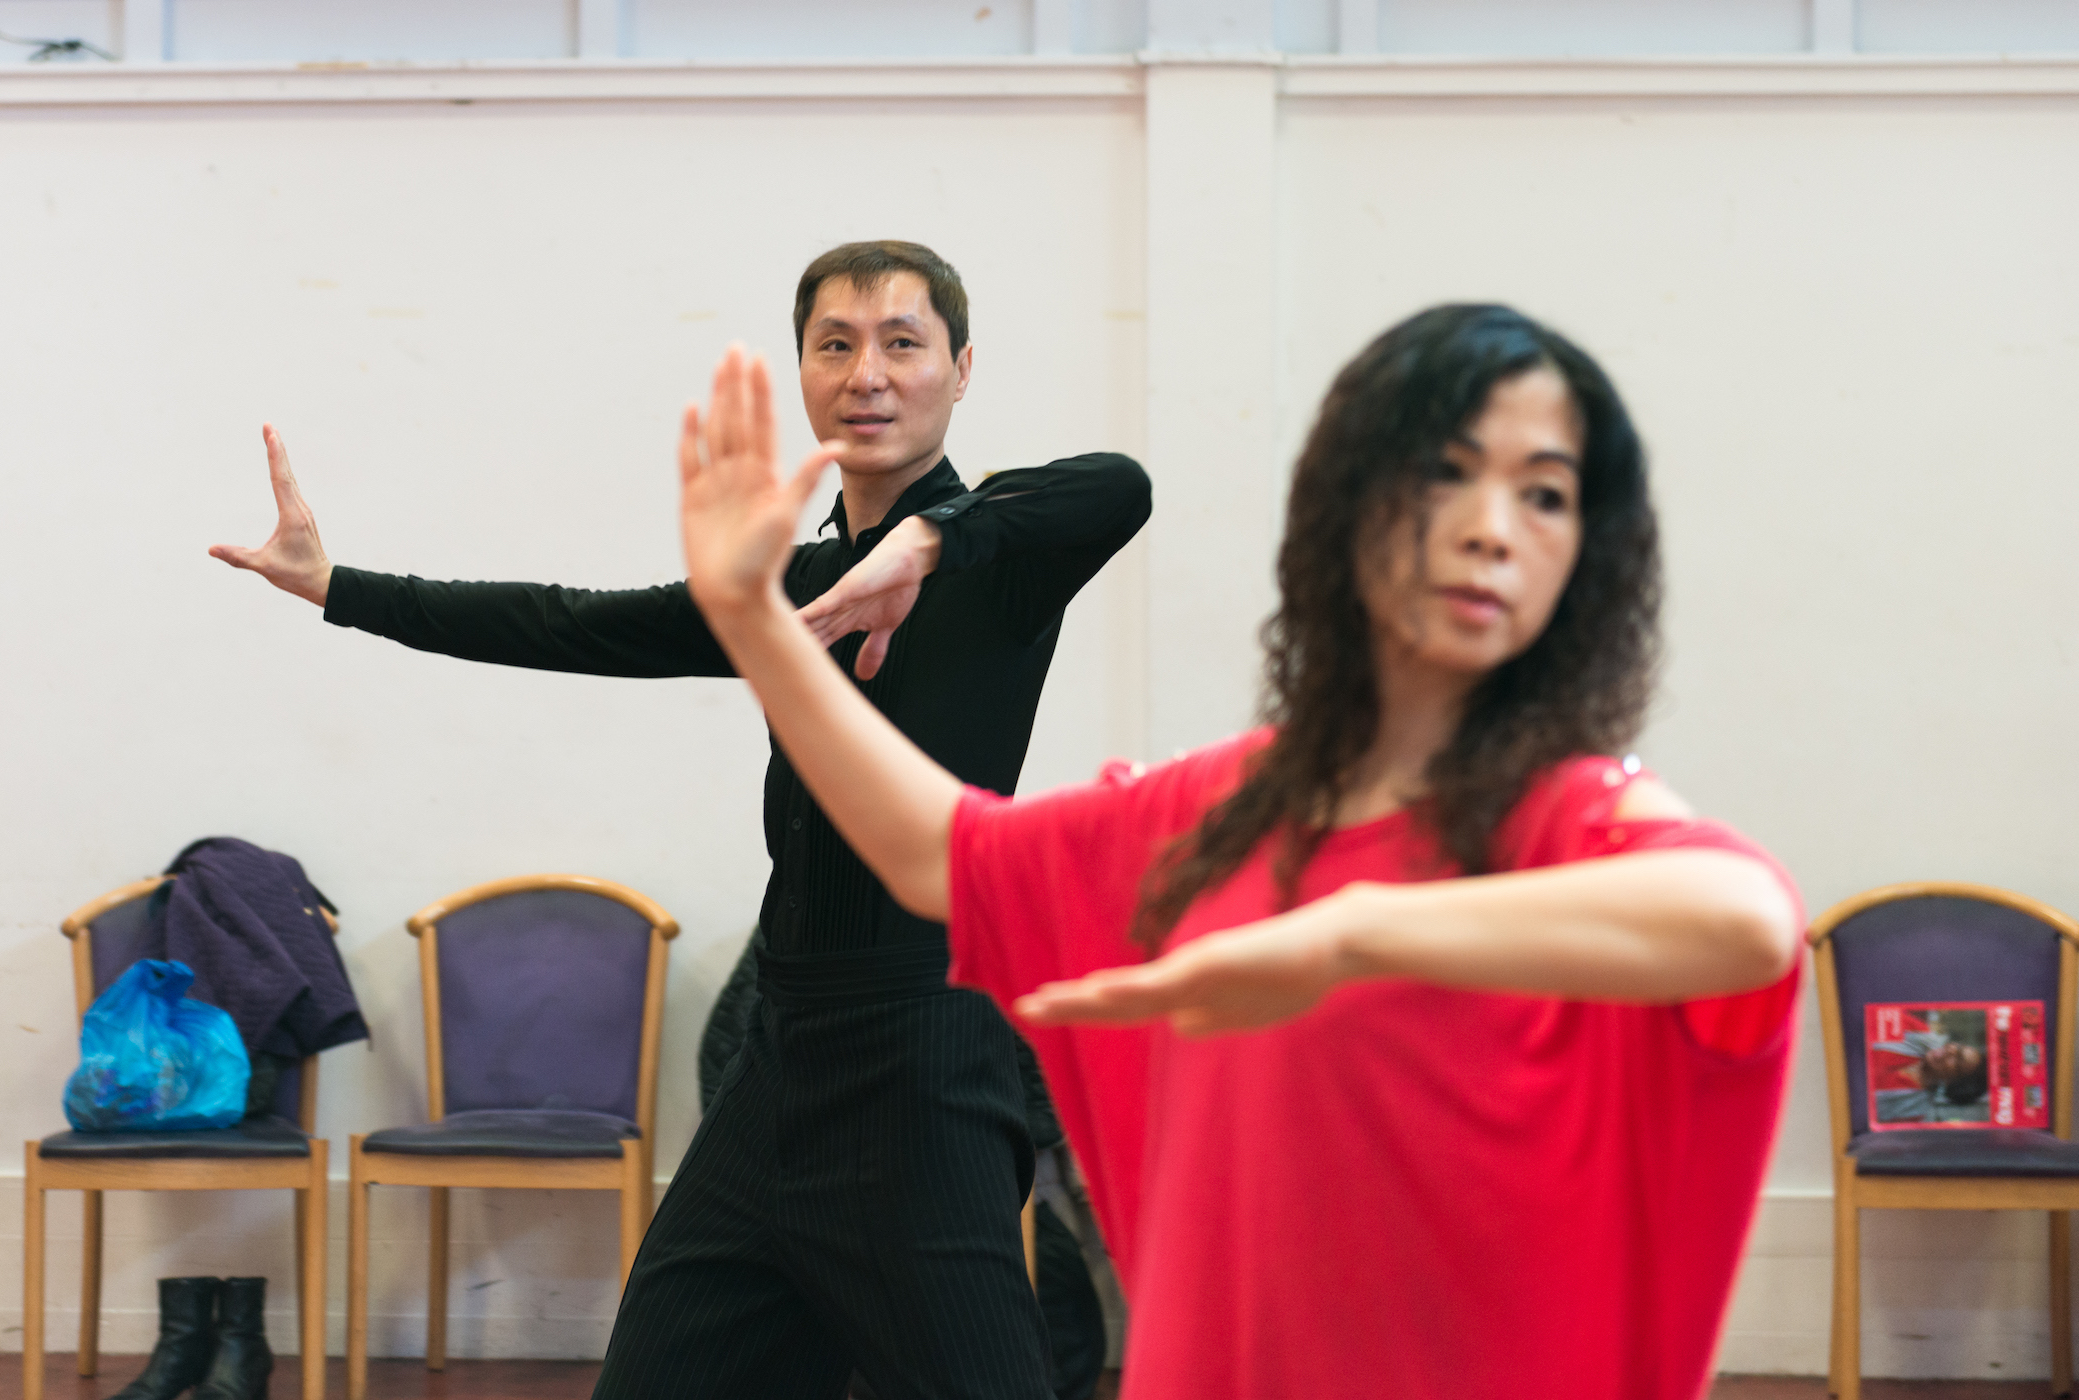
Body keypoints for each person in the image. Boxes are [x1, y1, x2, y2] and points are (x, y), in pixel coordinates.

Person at [673, 304, 1806, 1400]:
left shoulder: (1566, 821)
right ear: (1349, 508)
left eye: (1546, 494)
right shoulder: (1220, 811)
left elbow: (1744, 918)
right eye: (1446, 473)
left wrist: (1349, 937)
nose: (1491, 526)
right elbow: (937, 854)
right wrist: (756, 623)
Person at [212, 240, 1151, 1400]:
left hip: (923, 1067)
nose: (868, 373)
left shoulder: (996, 563)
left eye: (903, 344)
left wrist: (930, 537)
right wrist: (335, 587)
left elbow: (1116, 484)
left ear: (960, 371)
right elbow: (568, 622)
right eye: (836, 345)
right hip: (782, 1066)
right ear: (803, 374)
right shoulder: (777, 589)